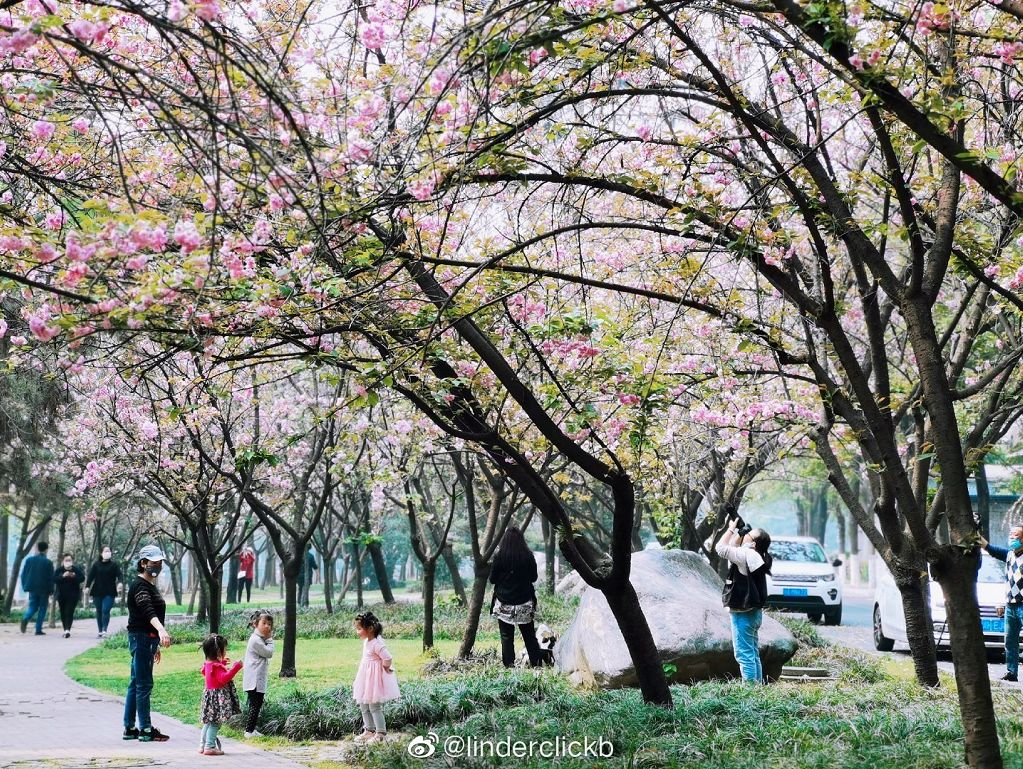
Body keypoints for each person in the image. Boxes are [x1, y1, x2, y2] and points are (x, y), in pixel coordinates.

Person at [123, 544, 172, 742]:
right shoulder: (140, 586)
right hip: (141, 638)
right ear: (143, 563)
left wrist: (156, 643)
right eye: (154, 562)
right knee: (144, 684)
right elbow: (147, 611)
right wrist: (161, 630)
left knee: (136, 683)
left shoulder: (148, 585)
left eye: (159, 563)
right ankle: (145, 729)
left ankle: (129, 728)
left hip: (145, 639)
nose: (157, 566)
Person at [716, 517, 773, 684]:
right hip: (754, 613)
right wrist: (740, 533)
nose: (747, 534)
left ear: (753, 543)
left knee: (744, 654)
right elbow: (734, 548)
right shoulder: (755, 555)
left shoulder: (746, 554)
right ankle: (757, 689)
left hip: (743, 614)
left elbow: (721, 548)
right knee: (752, 653)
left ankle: (750, 692)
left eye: (749, 534)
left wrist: (731, 529)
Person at [489, 526, 544, 668]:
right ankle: (537, 665)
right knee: (529, 635)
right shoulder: (528, 556)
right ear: (521, 540)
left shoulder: (499, 557)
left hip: (504, 602)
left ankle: (509, 666)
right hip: (524, 602)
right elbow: (534, 577)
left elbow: (492, 579)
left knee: (506, 637)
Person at [979, 526, 1023, 682]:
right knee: (1010, 641)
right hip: (1010, 605)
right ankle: (1011, 672)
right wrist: (976, 534)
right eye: (1010, 534)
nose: (1011, 538)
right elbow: (990, 548)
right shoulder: (1009, 554)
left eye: (1015, 535)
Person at [351, 611, 399, 744]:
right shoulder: (367, 641)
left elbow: (387, 658)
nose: (357, 632)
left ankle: (380, 733)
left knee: (374, 707)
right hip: (365, 678)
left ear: (370, 628)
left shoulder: (377, 644)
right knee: (363, 705)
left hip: (373, 681)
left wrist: (385, 668)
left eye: (359, 629)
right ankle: (369, 730)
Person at [199, 633, 243, 756]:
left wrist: (221, 663)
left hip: (209, 698)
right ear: (219, 652)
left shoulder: (208, 664)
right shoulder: (216, 667)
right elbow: (224, 678)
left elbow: (206, 672)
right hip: (217, 699)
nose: (226, 651)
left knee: (208, 722)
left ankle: (202, 745)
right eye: (225, 649)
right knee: (215, 723)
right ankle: (210, 747)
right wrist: (236, 668)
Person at [242, 610, 274, 738]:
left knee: (256, 703)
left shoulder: (259, 639)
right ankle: (249, 731)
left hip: (256, 678)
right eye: (264, 623)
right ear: (255, 624)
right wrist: (270, 639)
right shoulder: (256, 640)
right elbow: (269, 653)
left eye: (269, 624)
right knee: (255, 704)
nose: (267, 626)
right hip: (254, 679)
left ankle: (251, 729)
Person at [19, 541, 54, 635]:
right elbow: (51, 578)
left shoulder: (29, 560)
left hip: (32, 588)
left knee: (33, 606)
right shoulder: (48, 562)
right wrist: (51, 590)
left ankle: (25, 618)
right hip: (44, 589)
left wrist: (25, 586)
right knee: (42, 608)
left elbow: (23, 574)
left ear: (37, 549)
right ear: (46, 550)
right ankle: (38, 630)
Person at [87, 546, 122, 638]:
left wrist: (120, 583)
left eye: (109, 551)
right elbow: (90, 576)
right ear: (101, 553)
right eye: (106, 551)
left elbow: (119, 575)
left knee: (105, 610)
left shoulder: (114, 565)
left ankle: (104, 630)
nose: (107, 553)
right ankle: (100, 631)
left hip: (110, 591)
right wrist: (87, 586)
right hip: (97, 591)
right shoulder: (96, 565)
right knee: (99, 611)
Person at [54, 553, 86, 638]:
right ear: (63, 561)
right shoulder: (59, 570)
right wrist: (63, 576)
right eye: (66, 560)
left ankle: (67, 630)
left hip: (73, 595)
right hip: (61, 595)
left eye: (69, 560)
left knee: (69, 612)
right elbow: (54, 579)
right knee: (63, 612)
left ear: (72, 561)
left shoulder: (76, 569)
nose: (68, 562)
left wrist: (74, 576)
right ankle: (65, 629)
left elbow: (82, 578)